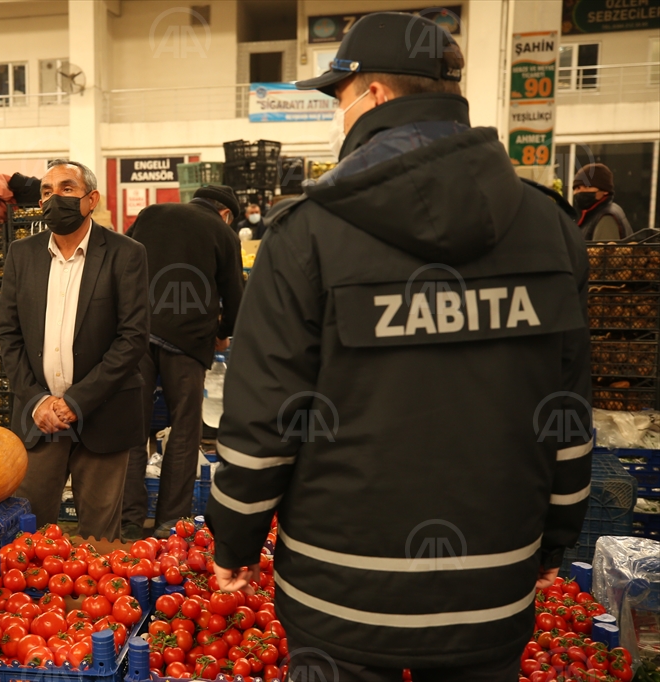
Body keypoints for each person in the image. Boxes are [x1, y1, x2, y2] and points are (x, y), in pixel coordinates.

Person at [207, 13, 591, 681]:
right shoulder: (550, 230)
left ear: (374, 96)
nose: (338, 115)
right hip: (492, 592)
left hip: (340, 599)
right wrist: (557, 540)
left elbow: (264, 419)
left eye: (339, 97)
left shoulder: (306, 235)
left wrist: (234, 538)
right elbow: (568, 417)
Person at [0, 159, 149, 541]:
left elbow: (132, 338)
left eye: (66, 189)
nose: (53, 198)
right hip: (39, 420)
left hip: (104, 415)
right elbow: (9, 336)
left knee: (100, 540)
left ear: (91, 199)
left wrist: (75, 401)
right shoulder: (22, 254)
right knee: (30, 536)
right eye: (46, 192)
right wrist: (37, 401)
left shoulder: (125, 254)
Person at [121, 184, 244, 540]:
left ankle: (128, 522)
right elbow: (237, 299)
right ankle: (169, 523)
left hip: (137, 334)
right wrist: (222, 330)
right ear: (225, 214)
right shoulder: (223, 232)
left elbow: (121, 265)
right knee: (185, 430)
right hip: (189, 341)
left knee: (134, 429)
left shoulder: (152, 213)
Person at [572, 162, 632, 241]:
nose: (578, 192)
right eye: (576, 188)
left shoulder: (607, 217)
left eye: (587, 186)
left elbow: (604, 252)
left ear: (604, 191)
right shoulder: (591, 214)